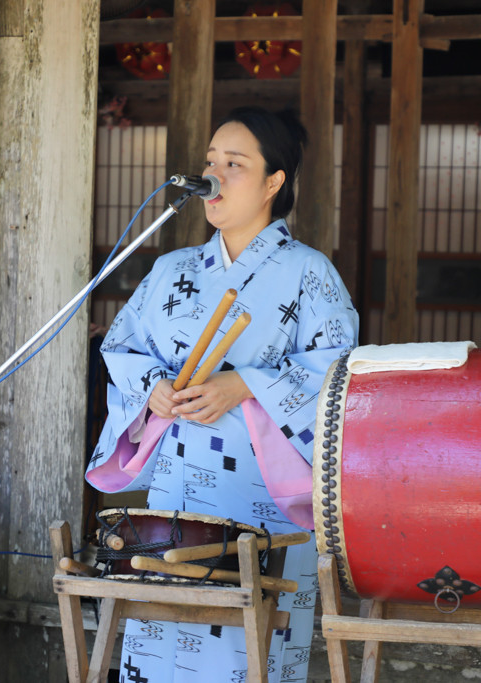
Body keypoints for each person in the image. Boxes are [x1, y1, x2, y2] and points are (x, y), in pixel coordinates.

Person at [86, 106, 359, 682]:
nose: (215, 176)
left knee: (246, 655)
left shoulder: (311, 274)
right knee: (163, 643)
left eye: (234, 164)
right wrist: (152, 390)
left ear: (273, 182)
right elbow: (122, 348)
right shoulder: (172, 269)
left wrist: (244, 384)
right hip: (177, 494)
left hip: (262, 501)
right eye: (211, 163)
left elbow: (338, 375)